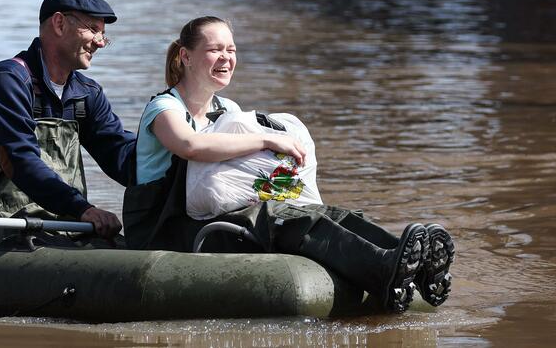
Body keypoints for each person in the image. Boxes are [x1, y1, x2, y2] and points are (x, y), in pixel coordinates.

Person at [124, 16, 455, 313]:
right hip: (168, 229)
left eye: (232, 49)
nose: (226, 58)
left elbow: (239, 175)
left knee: (319, 211)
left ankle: (410, 261)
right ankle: (383, 270)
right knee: (278, 217)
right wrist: (268, 140)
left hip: (217, 213)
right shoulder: (164, 108)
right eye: (215, 50)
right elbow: (191, 146)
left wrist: (280, 182)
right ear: (186, 56)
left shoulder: (227, 109)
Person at [0, 0, 135, 244]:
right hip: (3, 231)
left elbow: (120, 155)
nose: (100, 42)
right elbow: (20, 161)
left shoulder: (87, 93)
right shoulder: (8, 81)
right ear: (60, 23)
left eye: (104, 35)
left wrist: (176, 162)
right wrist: (82, 209)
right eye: (93, 29)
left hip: (66, 227)